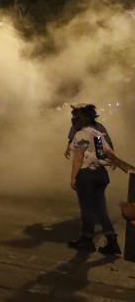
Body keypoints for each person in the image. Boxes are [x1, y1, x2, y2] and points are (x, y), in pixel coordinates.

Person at [68, 104, 120, 254]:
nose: (73, 120)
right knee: (101, 210)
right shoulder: (97, 133)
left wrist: (73, 177)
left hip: (87, 175)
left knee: (87, 210)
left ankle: (86, 239)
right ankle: (112, 241)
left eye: (75, 117)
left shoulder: (81, 134)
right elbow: (103, 154)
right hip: (101, 174)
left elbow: (78, 157)